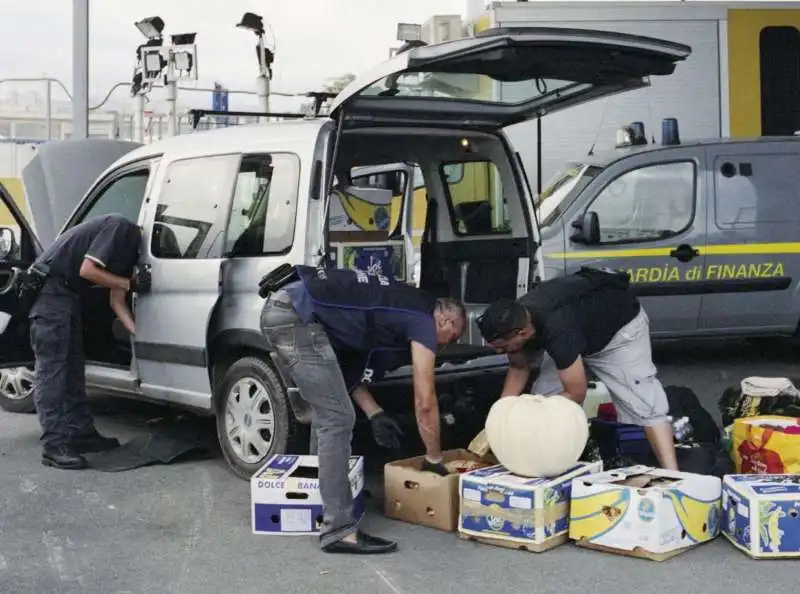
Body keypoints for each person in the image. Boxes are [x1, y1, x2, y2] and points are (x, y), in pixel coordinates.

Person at [258, 264, 466, 555]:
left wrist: (375, 412)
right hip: (296, 317)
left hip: (288, 309)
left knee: (329, 413)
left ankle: (330, 497)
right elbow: (425, 400)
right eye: (452, 337)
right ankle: (339, 530)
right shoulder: (422, 319)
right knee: (337, 419)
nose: (445, 346)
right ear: (445, 320)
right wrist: (434, 458)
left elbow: (344, 373)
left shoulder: (393, 303)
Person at [476, 267, 678, 471]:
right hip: (576, 329)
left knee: (644, 403)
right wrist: (500, 413)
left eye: (503, 347)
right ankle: (550, 468)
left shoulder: (558, 327)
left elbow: (576, 393)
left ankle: (674, 477)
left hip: (618, 332)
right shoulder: (512, 319)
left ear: (523, 333)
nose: (500, 352)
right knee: (543, 397)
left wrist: (533, 408)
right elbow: (519, 366)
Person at [27, 213, 147, 470]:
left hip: (67, 297)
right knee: (53, 373)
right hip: (51, 294)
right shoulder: (121, 229)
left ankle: (81, 434)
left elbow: (117, 302)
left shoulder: (128, 254)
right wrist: (130, 283)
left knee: (73, 369)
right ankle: (53, 446)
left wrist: (142, 336)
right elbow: (88, 270)